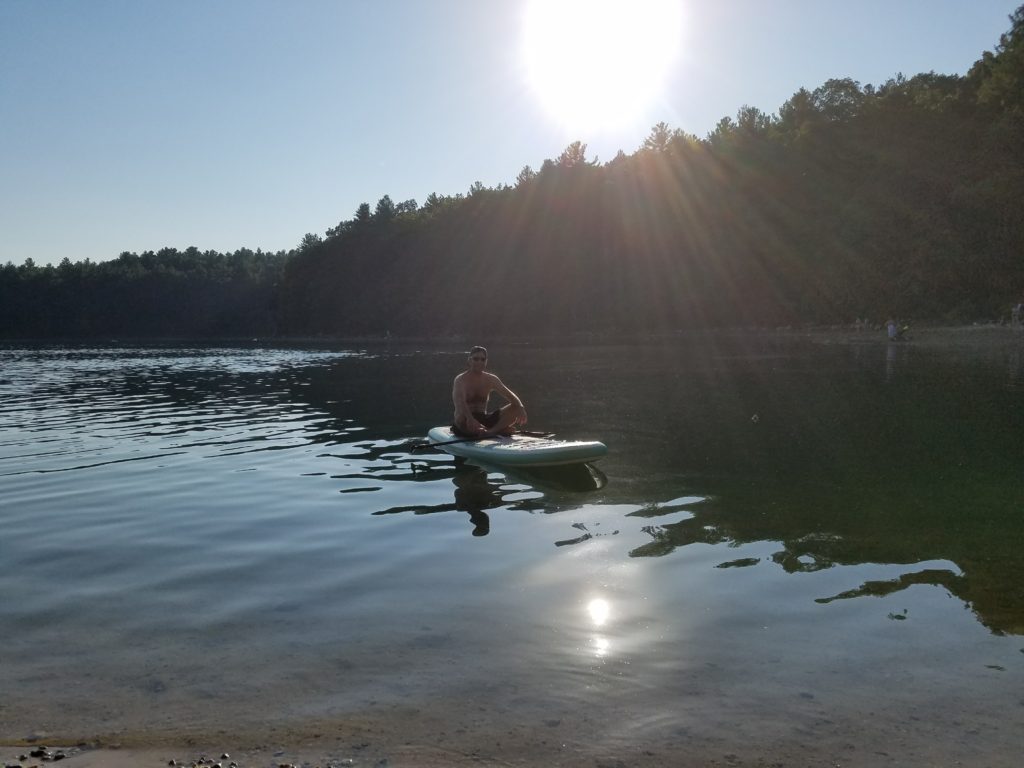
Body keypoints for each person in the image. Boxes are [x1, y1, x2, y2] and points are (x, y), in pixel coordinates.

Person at [451, 346, 527, 437]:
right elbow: (460, 402)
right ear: (469, 360)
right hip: (465, 419)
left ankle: (490, 432)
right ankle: (498, 430)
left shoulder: (491, 379)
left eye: (483, 359)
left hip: (483, 418)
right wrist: (470, 419)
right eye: (476, 359)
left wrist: (521, 408)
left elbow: (510, 395)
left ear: (486, 361)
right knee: (461, 418)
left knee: (516, 407)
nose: (479, 362)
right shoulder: (460, 380)